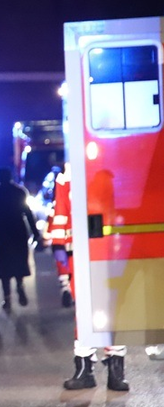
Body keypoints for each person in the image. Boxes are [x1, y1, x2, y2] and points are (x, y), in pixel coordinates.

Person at [52, 166, 129, 391]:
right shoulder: (68, 174)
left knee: (114, 311)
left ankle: (116, 371)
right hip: (82, 253)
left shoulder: (114, 169)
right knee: (84, 312)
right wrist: (59, 248)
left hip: (111, 251)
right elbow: (60, 213)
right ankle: (85, 370)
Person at [0, 166, 42, 311]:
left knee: (4, 266)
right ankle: (19, 285)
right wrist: (35, 232)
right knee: (19, 261)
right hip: (18, 231)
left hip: (2, 234)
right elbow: (28, 213)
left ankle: (7, 298)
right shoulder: (19, 192)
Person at [48, 164, 74, 308]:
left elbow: (60, 213)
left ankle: (66, 287)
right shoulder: (89, 178)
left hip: (68, 239)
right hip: (89, 240)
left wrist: (57, 243)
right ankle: (69, 289)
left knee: (65, 265)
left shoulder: (63, 182)